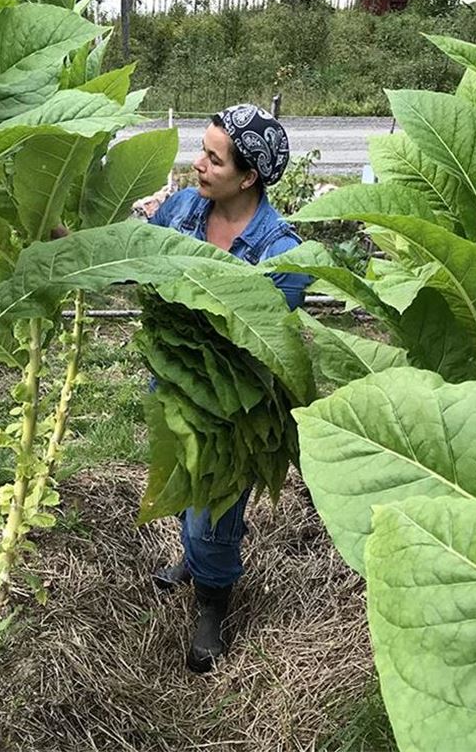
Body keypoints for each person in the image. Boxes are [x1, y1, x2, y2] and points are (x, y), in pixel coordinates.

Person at [147, 104, 310, 674]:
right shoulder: (188, 208)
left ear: (249, 177)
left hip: (232, 404)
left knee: (214, 510)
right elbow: (138, 253)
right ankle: (193, 562)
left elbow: (256, 341)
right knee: (179, 477)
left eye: (213, 159)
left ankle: (213, 606)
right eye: (202, 149)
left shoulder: (280, 251)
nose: (198, 163)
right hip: (174, 380)